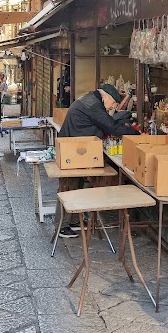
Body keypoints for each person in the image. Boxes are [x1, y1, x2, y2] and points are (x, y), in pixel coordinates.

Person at [57, 83, 139, 238]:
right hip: (72, 148)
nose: (112, 107)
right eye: (113, 104)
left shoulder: (92, 99)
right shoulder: (94, 105)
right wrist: (136, 134)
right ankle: (62, 225)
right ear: (106, 97)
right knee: (68, 186)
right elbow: (110, 126)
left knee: (76, 184)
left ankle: (73, 220)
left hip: (75, 146)